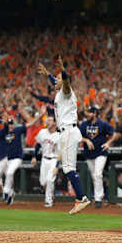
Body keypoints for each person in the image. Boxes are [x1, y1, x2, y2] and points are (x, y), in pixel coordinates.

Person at [39, 56, 91, 214]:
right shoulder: (60, 92)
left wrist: (63, 70)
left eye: (57, 78)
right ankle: (80, 198)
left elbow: (66, 84)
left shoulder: (66, 91)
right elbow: (60, 83)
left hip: (68, 131)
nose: (55, 80)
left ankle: (82, 198)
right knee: (69, 168)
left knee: (68, 168)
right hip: (67, 132)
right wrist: (48, 73)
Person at [79, 106, 117, 208]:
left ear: (95, 113)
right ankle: (100, 196)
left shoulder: (102, 123)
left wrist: (108, 143)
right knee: (94, 176)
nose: (87, 115)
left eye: (89, 113)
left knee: (97, 174)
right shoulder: (84, 124)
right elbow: (77, 136)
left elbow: (114, 134)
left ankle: (98, 199)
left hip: (101, 152)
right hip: (89, 154)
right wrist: (86, 140)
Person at [3, 109, 43, 205]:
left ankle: (6, 192)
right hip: (7, 159)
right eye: (9, 124)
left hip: (17, 158)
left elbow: (31, 124)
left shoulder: (17, 130)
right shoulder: (3, 133)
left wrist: (40, 115)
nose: (11, 126)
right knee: (9, 176)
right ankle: (11, 194)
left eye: (12, 124)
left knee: (9, 173)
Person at [31, 115, 60, 207]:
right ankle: (51, 195)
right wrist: (34, 157)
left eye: (50, 120)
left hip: (54, 159)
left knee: (50, 180)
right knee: (43, 182)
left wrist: (57, 166)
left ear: (55, 123)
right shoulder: (42, 132)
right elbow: (37, 144)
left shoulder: (59, 136)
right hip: (44, 159)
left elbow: (61, 153)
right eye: (47, 120)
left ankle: (48, 201)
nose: (47, 122)